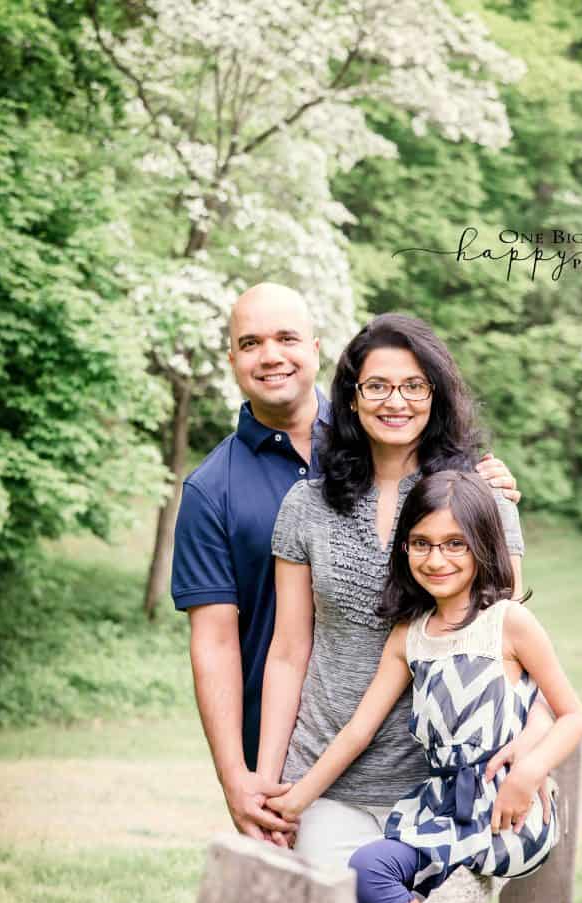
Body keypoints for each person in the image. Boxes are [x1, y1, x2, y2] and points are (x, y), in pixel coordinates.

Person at [257, 313, 555, 903]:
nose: (395, 400)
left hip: (439, 791)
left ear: (437, 395)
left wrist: (533, 756)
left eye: (413, 385)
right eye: (377, 386)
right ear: (351, 398)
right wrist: (272, 784)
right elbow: (288, 650)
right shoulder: (305, 504)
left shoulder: (480, 502)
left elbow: (509, 652)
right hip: (325, 773)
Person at [171, 283, 519, 852]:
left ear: (314, 347)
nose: (272, 355)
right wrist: (246, 778)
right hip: (301, 753)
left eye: (286, 338)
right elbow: (226, 645)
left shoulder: (421, 451)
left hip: (431, 769)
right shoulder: (216, 490)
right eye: (251, 342)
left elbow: (507, 637)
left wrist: (488, 492)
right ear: (231, 358)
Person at [267, 469, 582, 903]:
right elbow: (357, 731)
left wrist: (527, 771)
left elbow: (572, 715)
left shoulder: (508, 623)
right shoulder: (410, 636)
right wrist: (294, 801)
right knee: (370, 873)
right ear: (405, 550)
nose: (436, 560)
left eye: (453, 544)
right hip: (442, 810)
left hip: (505, 813)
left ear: (482, 546)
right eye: (421, 544)